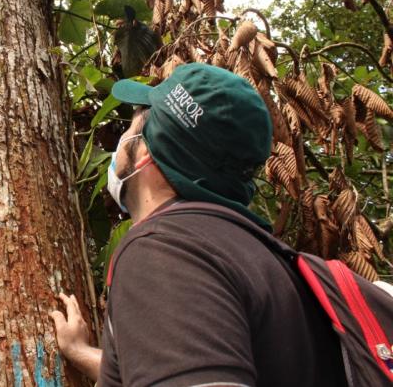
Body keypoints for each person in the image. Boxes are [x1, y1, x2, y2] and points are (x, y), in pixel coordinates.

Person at [50, 63, 348, 386]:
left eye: (132, 124)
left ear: (147, 153)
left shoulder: (165, 253)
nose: (121, 138)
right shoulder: (261, 258)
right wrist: (81, 352)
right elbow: (182, 364)